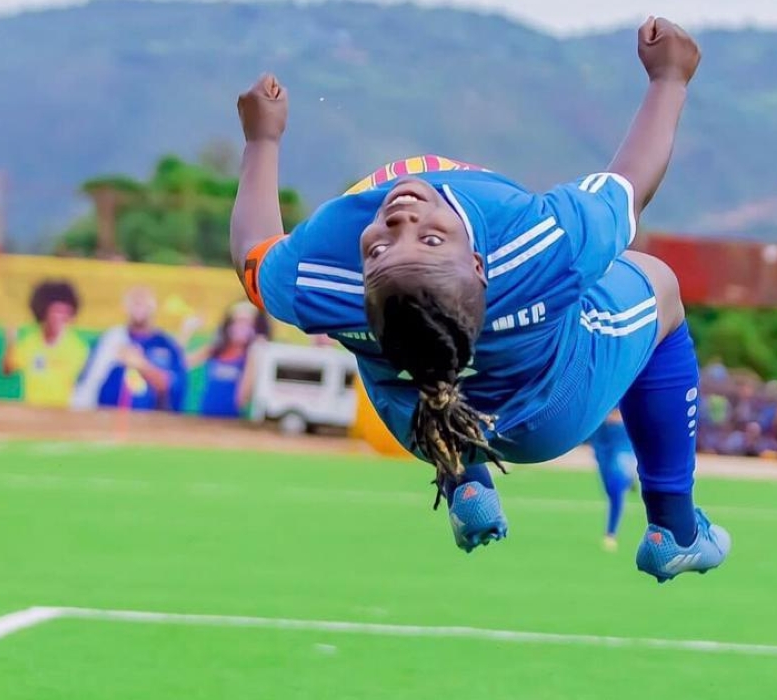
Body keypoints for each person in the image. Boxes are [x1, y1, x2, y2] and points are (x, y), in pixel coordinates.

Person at [231, 16, 730, 582]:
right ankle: (674, 527)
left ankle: (461, 475)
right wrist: (670, 79)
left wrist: (260, 141)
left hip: (423, 424)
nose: (400, 218)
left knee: (404, 356)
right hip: (552, 410)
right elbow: (630, 186)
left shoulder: (326, 275)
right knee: (659, 284)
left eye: (383, 248)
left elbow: (252, 254)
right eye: (426, 239)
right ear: (476, 264)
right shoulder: (536, 245)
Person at [73, 287, 188, 412]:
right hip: (108, 418)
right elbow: (88, 381)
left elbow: (171, 386)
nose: (139, 306)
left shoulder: (166, 345)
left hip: (150, 422)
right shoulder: (111, 338)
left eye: (144, 302)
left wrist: (141, 365)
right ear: (125, 307)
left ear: (153, 307)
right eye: (134, 302)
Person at [2, 280, 89, 408]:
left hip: (64, 413)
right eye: (55, 311)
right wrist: (11, 341)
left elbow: (81, 384)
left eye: (65, 313)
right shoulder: (30, 342)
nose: (59, 318)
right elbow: (8, 369)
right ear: (44, 311)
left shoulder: (78, 347)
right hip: (32, 410)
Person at [186, 302, 264, 419]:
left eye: (247, 323)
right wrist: (188, 331)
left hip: (231, 420)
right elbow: (183, 364)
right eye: (237, 321)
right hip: (205, 415)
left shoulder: (250, 358)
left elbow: (242, 397)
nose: (241, 327)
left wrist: (254, 354)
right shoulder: (215, 349)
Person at [588, 411, 638, 551]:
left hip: (622, 435)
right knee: (609, 489)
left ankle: (610, 533)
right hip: (600, 436)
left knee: (615, 486)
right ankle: (628, 479)